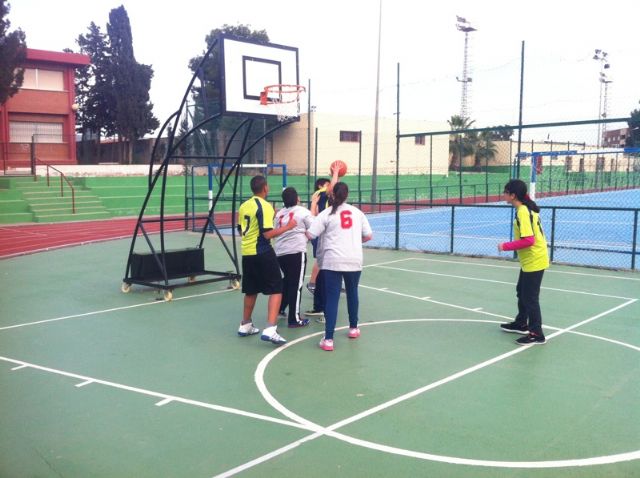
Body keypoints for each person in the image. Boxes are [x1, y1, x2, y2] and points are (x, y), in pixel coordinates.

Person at [307, 182, 373, 351]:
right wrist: (352, 242)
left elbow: (311, 234)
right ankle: (353, 328)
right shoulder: (357, 213)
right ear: (347, 194)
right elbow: (368, 236)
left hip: (332, 260)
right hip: (353, 258)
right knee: (352, 293)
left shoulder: (326, 214)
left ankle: (328, 339)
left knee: (332, 298)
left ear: (332, 195)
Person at [236, 175, 296, 346]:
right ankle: (270, 329)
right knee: (277, 288)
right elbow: (268, 234)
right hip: (262, 251)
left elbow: (240, 230)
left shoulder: (243, 206)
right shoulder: (265, 206)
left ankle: (245, 325)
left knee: (251, 290)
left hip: (247, 252)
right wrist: (288, 227)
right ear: (265, 188)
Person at [498, 179, 550, 346]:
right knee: (522, 291)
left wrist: (505, 246)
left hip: (535, 258)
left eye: (506, 192)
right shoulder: (525, 208)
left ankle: (536, 333)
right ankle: (521, 323)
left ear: (513, 195)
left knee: (530, 297)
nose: (503, 195)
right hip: (530, 259)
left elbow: (529, 240)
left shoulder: (522, 211)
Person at [274, 187, 313, 328]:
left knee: (287, 282)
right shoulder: (303, 211)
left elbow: (277, 231)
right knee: (296, 285)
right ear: (297, 198)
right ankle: (294, 319)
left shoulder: (279, 214)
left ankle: (280, 308)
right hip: (296, 251)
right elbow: (314, 229)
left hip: (280, 252)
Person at [305, 166, 341, 320]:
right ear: (320, 186)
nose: (329, 185)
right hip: (321, 233)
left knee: (321, 263)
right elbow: (333, 188)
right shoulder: (320, 193)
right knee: (323, 264)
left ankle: (318, 297)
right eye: (326, 184)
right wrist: (336, 172)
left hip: (321, 232)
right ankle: (316, 287)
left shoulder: (323, 198)